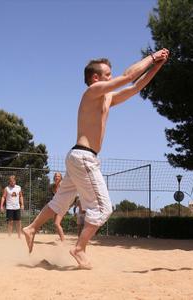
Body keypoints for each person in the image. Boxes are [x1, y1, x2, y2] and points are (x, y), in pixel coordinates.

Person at [23, 48, 170, 269]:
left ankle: (32, 228)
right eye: (108, 74)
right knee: (104, 208)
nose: (112, 77)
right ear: (95, 78)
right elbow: (129, 77)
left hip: (77, 157)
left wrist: (156, 67)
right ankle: (79, 248)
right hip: (83, 157)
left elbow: (135, 86)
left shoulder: (106, 98)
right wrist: (151, 57)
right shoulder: (92, 92)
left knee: (60, 201)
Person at [49, 172, 66, 242]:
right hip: (57, 206)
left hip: (62, 206)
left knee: (57, 223)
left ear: (61, 178)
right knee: (56, 224)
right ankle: (61, 237)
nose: (57, 177)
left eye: (58, 176)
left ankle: (63, 240)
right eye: (56, 176)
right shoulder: (53, 186)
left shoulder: (62, 185)